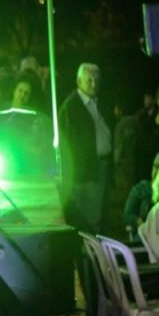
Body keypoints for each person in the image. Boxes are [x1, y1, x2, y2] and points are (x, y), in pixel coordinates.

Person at [58, 63, 112, 234]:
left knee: (100, 214)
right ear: (79, 81)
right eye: (89, 80)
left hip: (101, 166)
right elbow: (65, 142)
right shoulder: (71, 107)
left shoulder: (98, 103)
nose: (94, 84)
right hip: (85, 172)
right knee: (89, 217)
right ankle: (92, 254)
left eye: (96, 80)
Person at [125, 150, 159, 241]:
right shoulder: (141, 189)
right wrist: (139, 222)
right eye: (155, 166)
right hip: (146, 235)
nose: (156, 170)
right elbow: (128, 215)